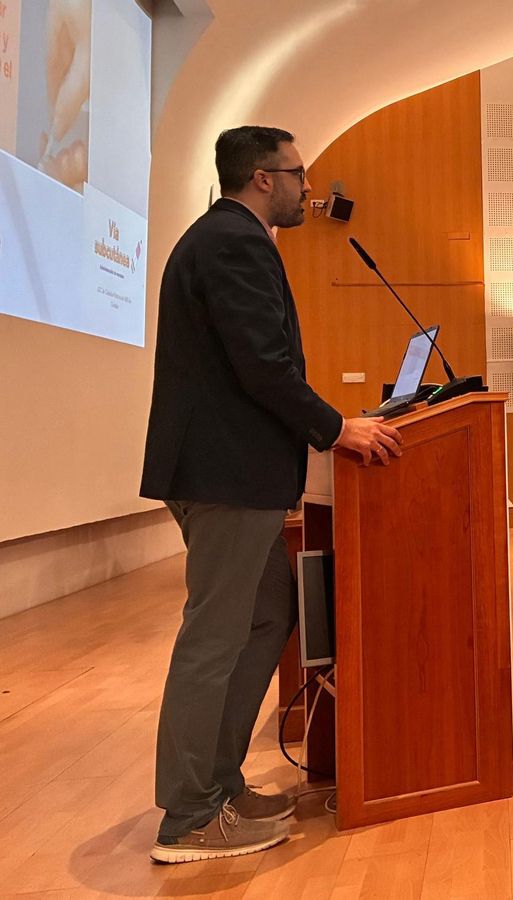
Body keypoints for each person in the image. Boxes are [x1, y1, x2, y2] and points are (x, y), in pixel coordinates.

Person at [140, 126, 402, 863]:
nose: (306, 189)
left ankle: (217, 788)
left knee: (266, 615)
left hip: (233, 471)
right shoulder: (234, 241)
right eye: (297, 175)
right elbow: (262, 365)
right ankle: (190, 814)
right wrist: (335, 428)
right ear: (262, 177)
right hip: (225, 473)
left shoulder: (230, 239)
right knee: (215, 636)